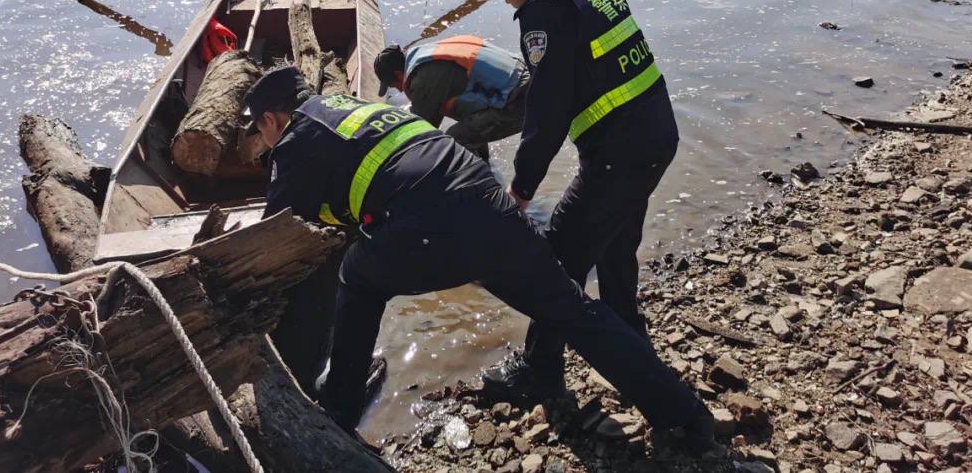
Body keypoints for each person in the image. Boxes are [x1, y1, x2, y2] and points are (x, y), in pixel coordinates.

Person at [244, 66, 715, 454]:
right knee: (574, 312)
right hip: (485, 199)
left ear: (270, 120)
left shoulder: (296, 139)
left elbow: (272, 244)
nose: (263, 143)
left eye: (258, 133)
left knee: (357, 278)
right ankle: (686, 415)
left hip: (431, 223)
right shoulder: (356, 105)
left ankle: (340, 412)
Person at [468, 0, 681, 406]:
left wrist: (521, 188)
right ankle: (633, 345)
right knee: (614, 246)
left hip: (618, 156)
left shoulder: (546, 13)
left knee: (557, 262)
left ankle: (540, 371)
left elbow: (547, 110)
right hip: (655, 139)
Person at [372, 37, 528, 161]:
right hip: (527, 79)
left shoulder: (423, 78)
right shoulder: (427, 53)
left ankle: (477, 191)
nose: (399, 90)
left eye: (394, 85)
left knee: (455, 140)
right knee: (468, 120)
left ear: (399, 75)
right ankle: (485, 165)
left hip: (519, 102)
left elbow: (421, 130)